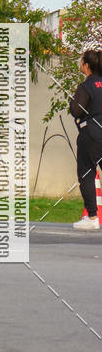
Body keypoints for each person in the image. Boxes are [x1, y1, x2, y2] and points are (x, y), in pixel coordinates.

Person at [69, 48, 102, 230]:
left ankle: (92, 217)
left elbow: (77, 110)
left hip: (91, 136)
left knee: (87, 174)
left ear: (87, 65)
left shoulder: (87, 86)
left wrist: (73, 100)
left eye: (81, 60)